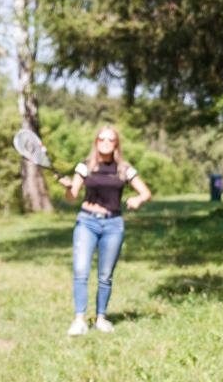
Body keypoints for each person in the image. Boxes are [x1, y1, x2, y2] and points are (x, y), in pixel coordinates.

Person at [57, 124, 152, 335]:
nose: (106, 143)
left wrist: (138, 200)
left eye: (110, 140)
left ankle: (101, 318)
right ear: (96, 142)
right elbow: (72, 197)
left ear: (116, 144)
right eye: (102, 139)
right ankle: (79, 320)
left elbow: (146, 193)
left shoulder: (124, 169)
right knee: (81, 271)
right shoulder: (85, 166)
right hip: (87, 222)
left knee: (105, 275)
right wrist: (67, 188)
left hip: (113, 225)